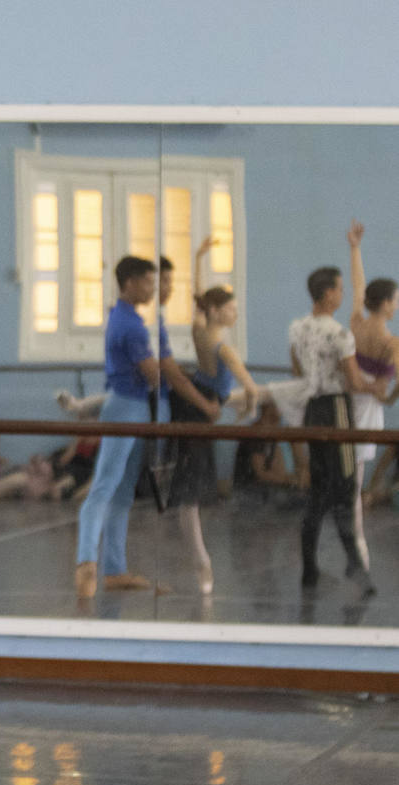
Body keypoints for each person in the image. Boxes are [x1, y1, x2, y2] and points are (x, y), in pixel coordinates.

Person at [163, 240, 260, 594]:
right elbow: (251, 389)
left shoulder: (199, 331)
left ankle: (84, 406)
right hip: (200, 408)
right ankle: (201, 561)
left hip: (197, 397)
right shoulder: (224, 349)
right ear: (217, 311)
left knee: (189, 490)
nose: (235, 313)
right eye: (231, 308)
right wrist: (247, 411)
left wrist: (200, 256)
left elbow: (198, 295)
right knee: (189, 492)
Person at [290, 262, 386, 594]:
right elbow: (355, 381)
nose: (344, 295)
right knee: (345, 489)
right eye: (341, 289)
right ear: (329, 293)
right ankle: (354, 566)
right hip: (336, 412)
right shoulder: (340, 334)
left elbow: (296, 366)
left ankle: (309, 567)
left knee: (319, 490)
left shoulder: (298, 327)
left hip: (312, 408)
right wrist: (379, 386)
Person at [74, 256, 162, 598]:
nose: (152, 289)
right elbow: (152, 373)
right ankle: (86, 563)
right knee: (104, 487)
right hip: (125, 405)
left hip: (135, 407)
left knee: (123, 490)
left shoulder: (125, 317)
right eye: (148, 283)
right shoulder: (131, 325)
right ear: (129, 283)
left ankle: (113, 568)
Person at [345, 220, 399, 566]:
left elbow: (357, 285)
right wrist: (388, 399)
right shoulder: (391, 342)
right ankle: (358, 542)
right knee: (357, 480)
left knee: (347, 476)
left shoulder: (357, 322)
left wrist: (355, 248)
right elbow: (387, 390)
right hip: (368, 409)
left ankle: (354, 537)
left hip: (346, 402)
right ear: (388, 304)